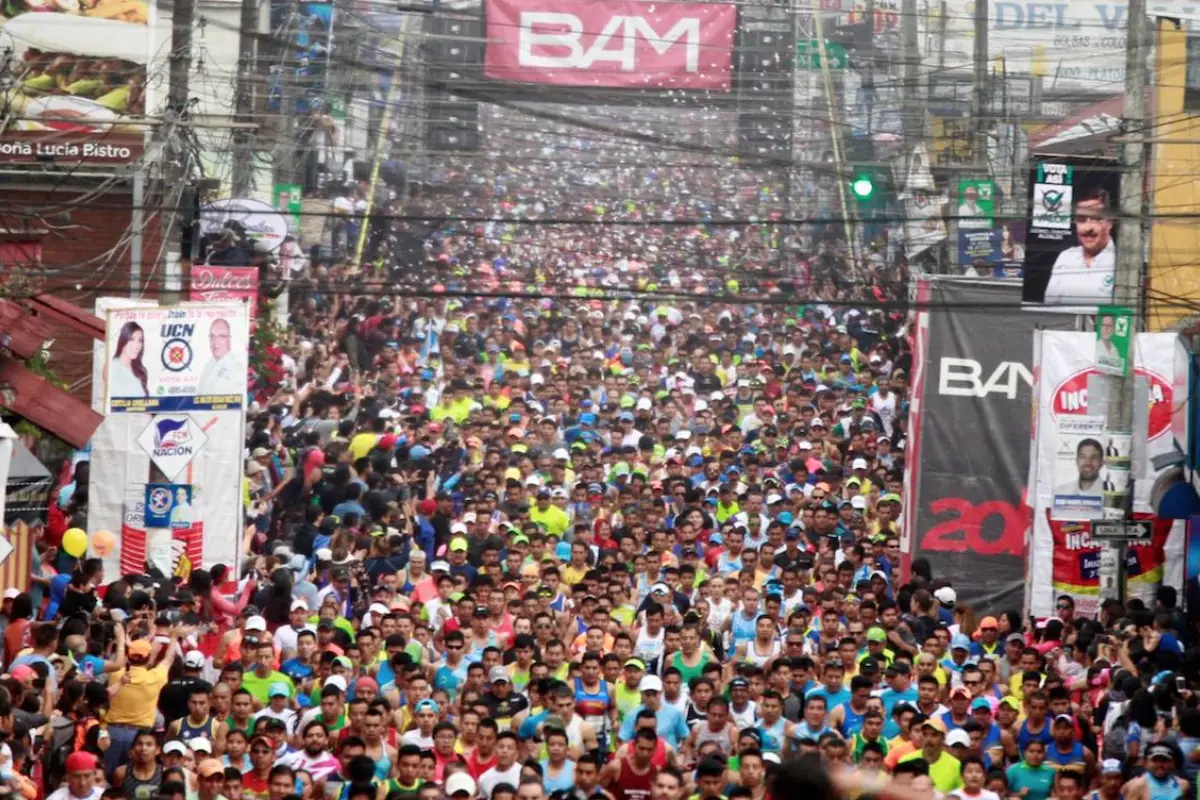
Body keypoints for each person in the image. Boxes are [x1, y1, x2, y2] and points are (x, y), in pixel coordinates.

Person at [1042, 188, 1117, 305]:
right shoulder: (1066, 258)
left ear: (1110, 222)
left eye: (1096, 219)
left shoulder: (1121, 262)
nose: (1088, 228)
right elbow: (1050, 311)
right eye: (1081, 220)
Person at [196, 317, 246, 397]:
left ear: (229, 339)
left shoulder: (236, 369)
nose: (216, 342)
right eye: (212, 337)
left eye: (221, 336)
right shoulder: (209, 364)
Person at [109, 321, 150, 399]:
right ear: (123, 340)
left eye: (140, 340)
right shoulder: (112, 367)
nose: (137, 345)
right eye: (132, 339)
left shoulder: (141, 370)